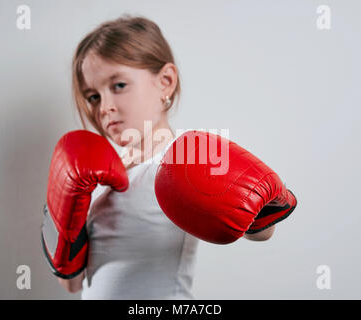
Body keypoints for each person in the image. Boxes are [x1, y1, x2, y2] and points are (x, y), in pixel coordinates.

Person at [47, 14, 281, 299]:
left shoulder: (183, 161)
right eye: (93, 96)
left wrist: (258, 213)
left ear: (166, 82)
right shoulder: (94, 175)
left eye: (118, 85)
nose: (104, 107)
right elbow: (72, 284)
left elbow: (263, 231)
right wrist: (66, 220)